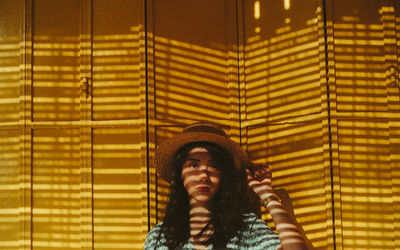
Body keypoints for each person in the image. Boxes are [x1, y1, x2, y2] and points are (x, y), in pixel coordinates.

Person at [144, 122, 307, 249]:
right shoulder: (160, 235)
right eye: (193, 165)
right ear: (180, 174)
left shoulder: (246, 228)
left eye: (213, 165)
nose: (203, 175)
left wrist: (267, 194)